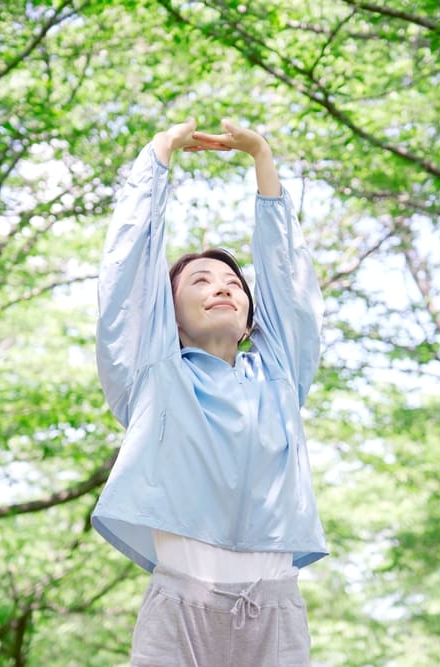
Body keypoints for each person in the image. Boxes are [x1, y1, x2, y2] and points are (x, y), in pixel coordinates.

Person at [92, 118, 327, 666]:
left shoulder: (279, 374)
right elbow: (128, 277)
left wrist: (262, 159)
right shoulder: (155, 373)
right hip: (180, 612)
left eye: (232, 285)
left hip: (274, 614)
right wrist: (158, 156)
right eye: (198, 281)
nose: (221, 286)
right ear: (168, 316)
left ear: (250, 318)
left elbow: (287, 282)